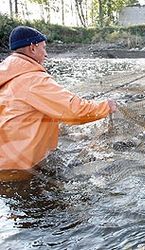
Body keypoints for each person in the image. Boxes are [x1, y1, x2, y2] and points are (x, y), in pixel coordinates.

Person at [0, 26, 117, 170]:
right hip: (19, 168)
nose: (46, 54)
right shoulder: (33, 80)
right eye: (44, 48)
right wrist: (105, 107)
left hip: (6, 161)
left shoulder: (8, 76)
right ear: (32, 47)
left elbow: (23, 117)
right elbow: (74, 110)